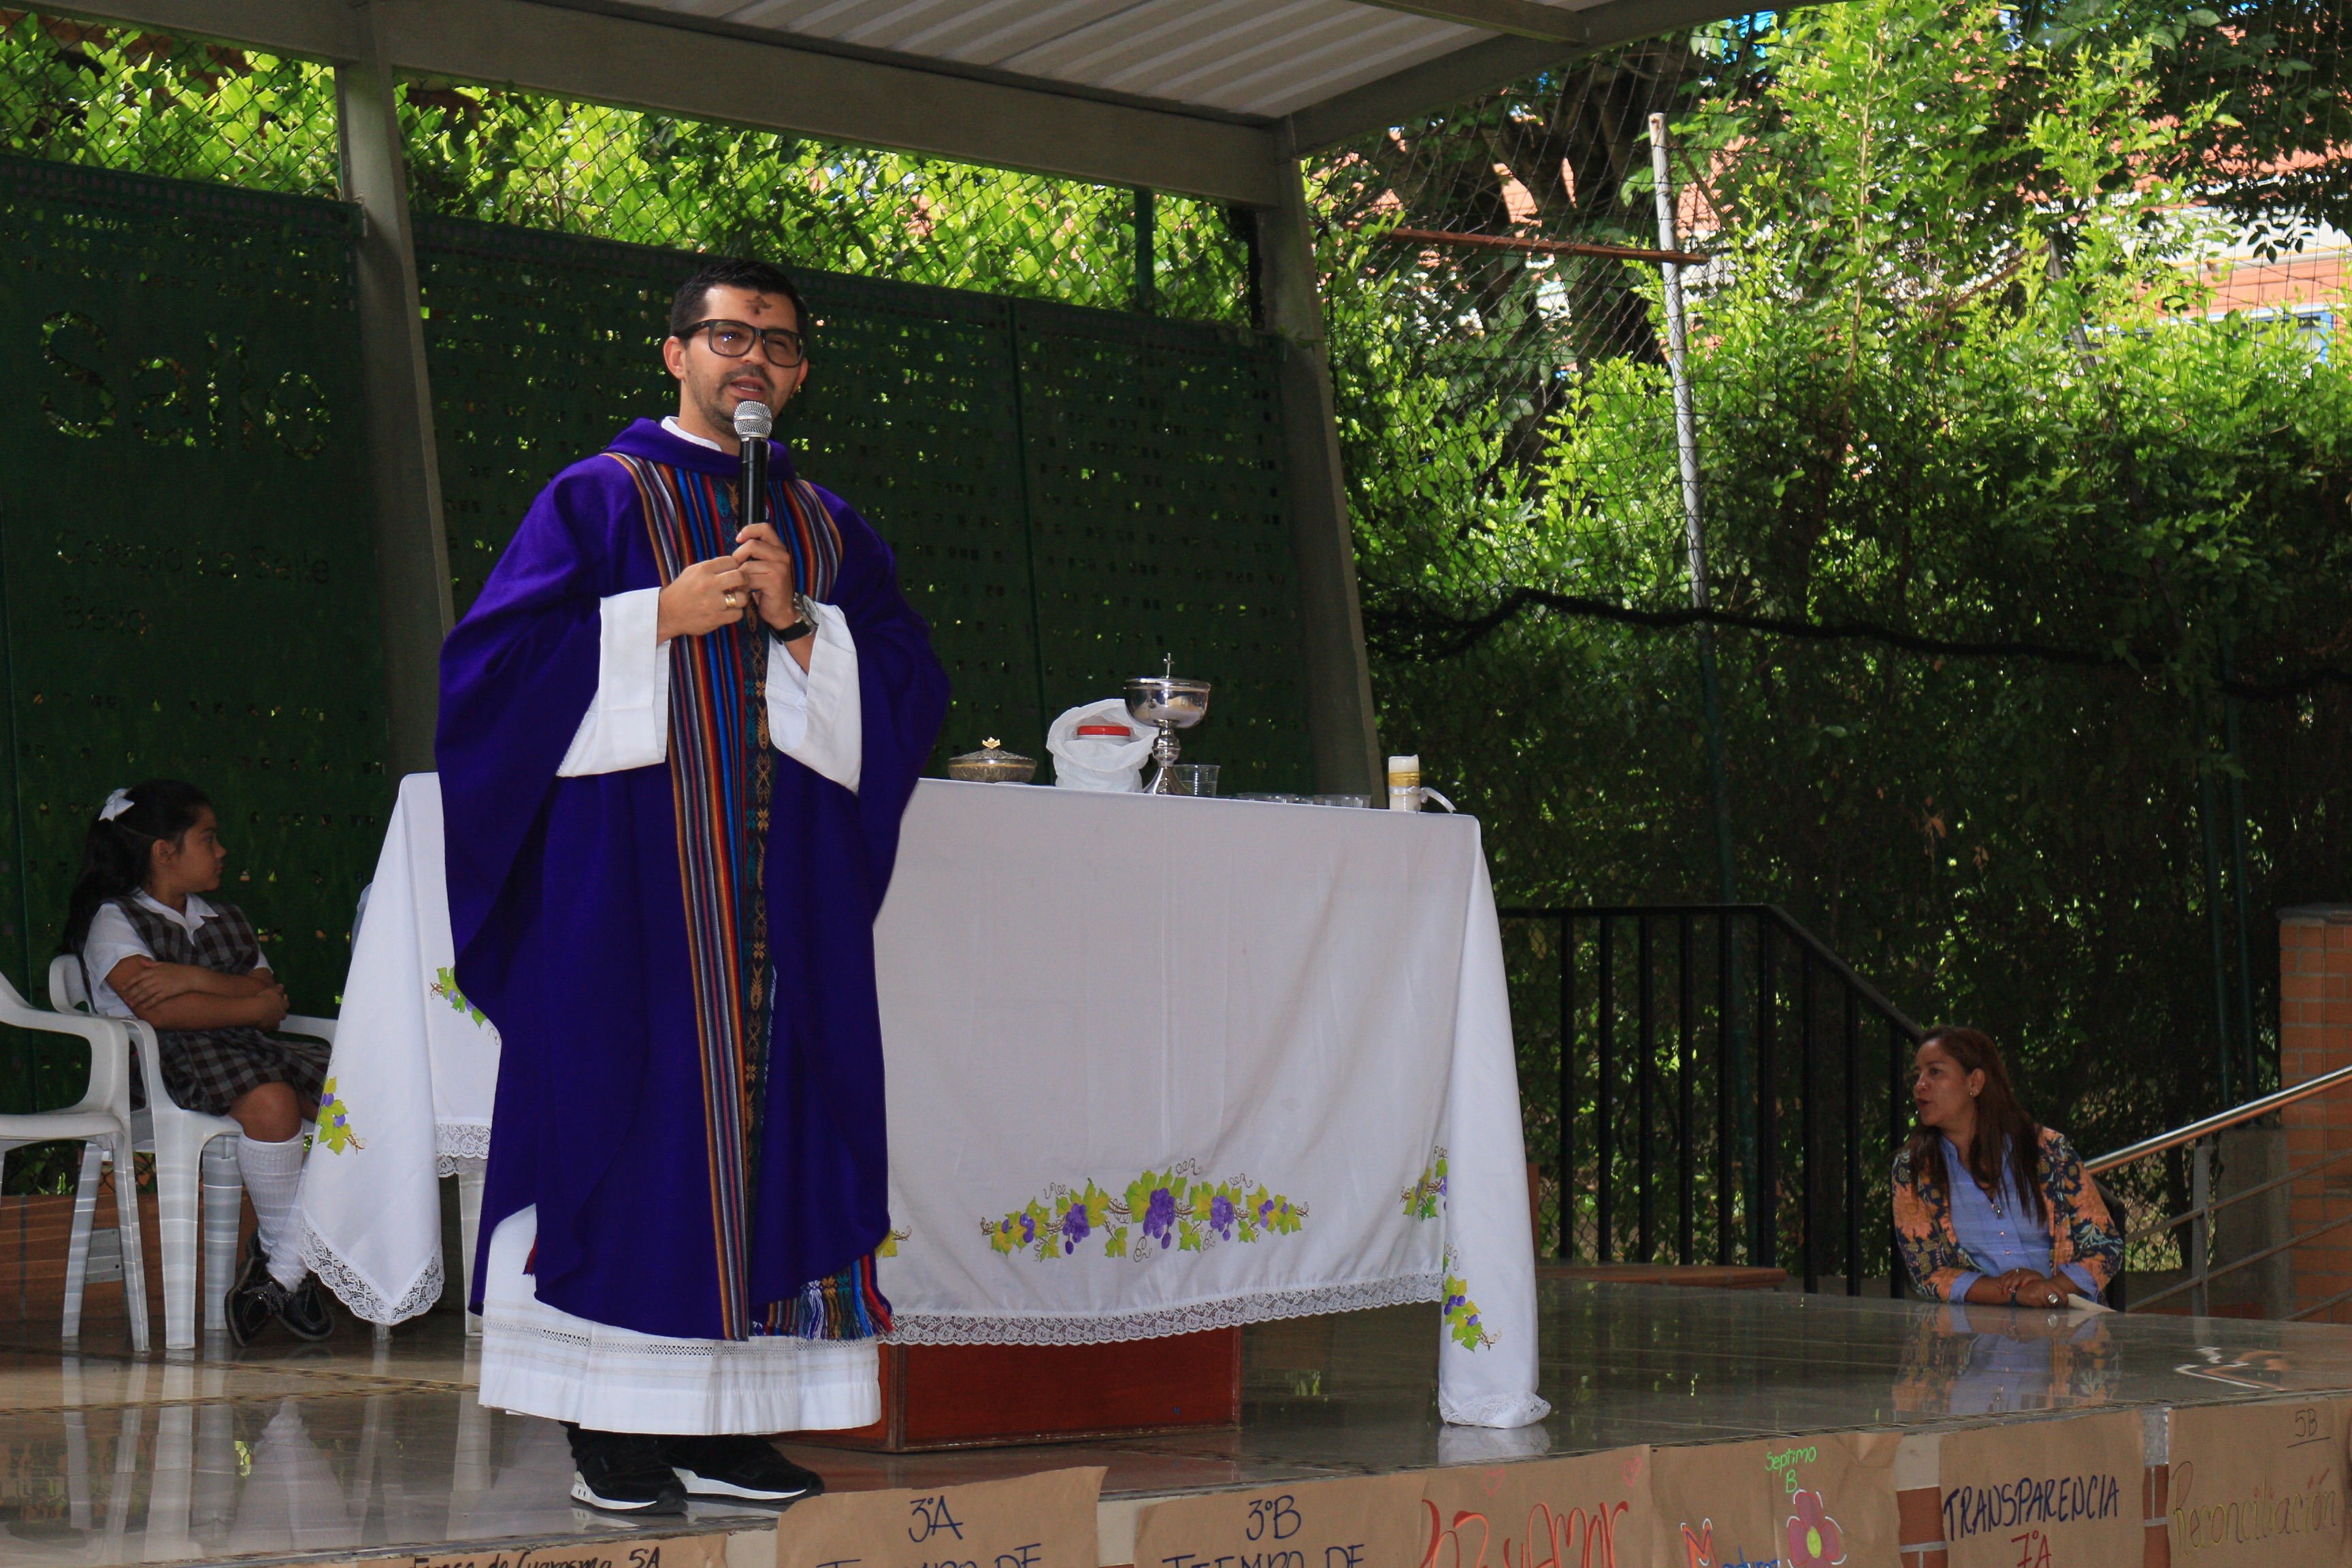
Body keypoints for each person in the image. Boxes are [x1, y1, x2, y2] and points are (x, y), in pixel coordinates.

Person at [438, 257, 948, 1515]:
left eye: (777, 342)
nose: (753, 358)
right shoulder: (595, 497)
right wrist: (647, 620)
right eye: (728, 335)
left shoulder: (828, 528)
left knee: (776, 1140)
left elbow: (908, 686)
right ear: (676, 354)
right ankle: (609, 1419)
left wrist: (802, 624)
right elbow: (487, 676)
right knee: (629, 1123)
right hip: (633, 896)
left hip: (788, 907)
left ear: (800, 373)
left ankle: (731, 1424)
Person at [59, 779, 336, 1345]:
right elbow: (163, 1012)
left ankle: (279, 1266)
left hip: (246, 1050)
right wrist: (251, 1003)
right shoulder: (114, 920)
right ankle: (288, 1264)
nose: (222, 850)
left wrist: (189, 977)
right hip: (167, 1066)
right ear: (165, 851)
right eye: (208, 839)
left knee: (355, 1109)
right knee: (272, 1102)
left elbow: (264, 991)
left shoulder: (223, 916)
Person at [1893, 1026, 2123, 1308]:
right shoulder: (1913, 1170)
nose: (1920, 1086)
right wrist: (2014, 1293)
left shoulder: (2050, 1150)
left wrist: (2048, 1290)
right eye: (1917, 1075)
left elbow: (2105, 1248)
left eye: (1935, 1072)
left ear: (1975, 1082)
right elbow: (1928, 1274)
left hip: (2068, 1326)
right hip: (1976, 1331)